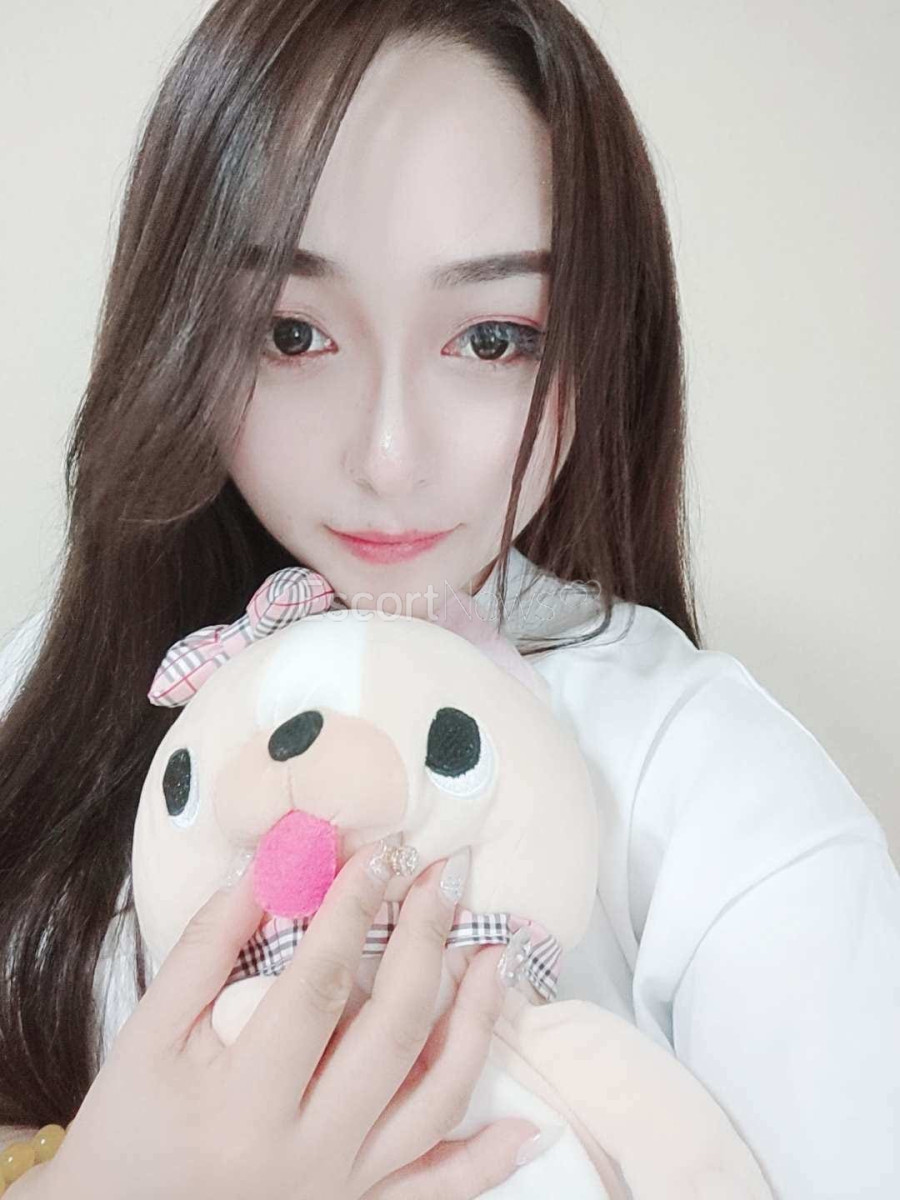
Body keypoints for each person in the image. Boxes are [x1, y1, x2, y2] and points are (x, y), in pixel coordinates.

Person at [1, 0, 898, 1197]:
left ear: (601, 341)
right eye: (290, 332)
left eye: (491, 339)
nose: (388, 457)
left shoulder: (708, 785)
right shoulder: (43, 704)